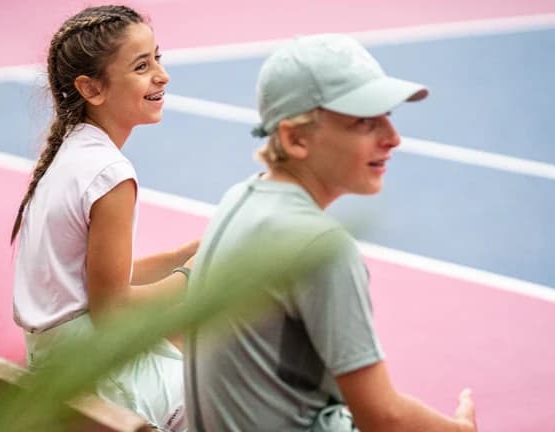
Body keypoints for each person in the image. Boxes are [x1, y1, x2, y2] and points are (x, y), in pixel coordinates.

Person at [183, 34, 478, 431]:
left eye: (387, 116)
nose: (393, 138)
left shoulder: (240, 197)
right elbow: (383, 418)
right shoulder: (321, 247)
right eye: (364, 121)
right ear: (295, 138)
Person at [10, 6, 194, 431]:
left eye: (158, 58)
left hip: (59, 363)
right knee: (244, 387)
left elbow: (91, 285)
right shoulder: (111, 175)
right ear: (91, 88)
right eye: (142, 66)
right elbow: (111, 309)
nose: (163, 75)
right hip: (100, 376)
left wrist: (183, 255)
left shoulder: (71, 153)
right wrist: (191, 277)